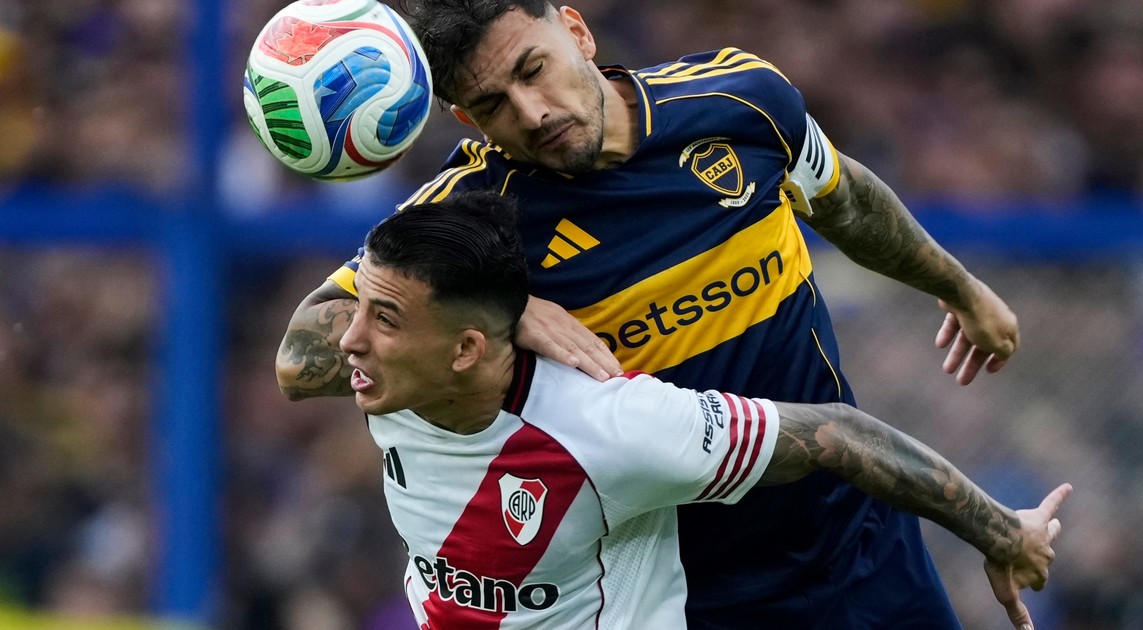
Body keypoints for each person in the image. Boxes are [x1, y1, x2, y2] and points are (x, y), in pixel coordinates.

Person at [275, 2, 1023, 627]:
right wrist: (508, 309)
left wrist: (959, 288)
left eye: (533, 69)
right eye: (494, 105)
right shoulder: (472, 222)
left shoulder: (741, 100)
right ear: (466, 119)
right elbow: (300, 357)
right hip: (689, 593)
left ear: (576, 32)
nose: (532, 113)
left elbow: (845, 199)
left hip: (857, 540)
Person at [340, 190, 1067, 629]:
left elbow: (839, 436)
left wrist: (1002, 531)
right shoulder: (388, 382)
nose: (348, 339)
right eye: (359, 308)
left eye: (383, 319)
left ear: (466, 349)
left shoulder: (613, 428)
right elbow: (292, 360)